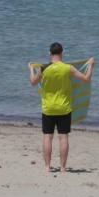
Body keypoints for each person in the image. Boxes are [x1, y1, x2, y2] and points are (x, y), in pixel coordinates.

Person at [28, 43, 94, 174]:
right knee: (63, 137)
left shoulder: (43, 68)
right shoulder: (68, 68)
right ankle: (63, 168)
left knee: (48, 136)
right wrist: (91, 65)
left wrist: (31, 69)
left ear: (49, 53)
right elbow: (86, 79)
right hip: (64, 108)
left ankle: (47, 167)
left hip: (48, 108)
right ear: (62, 53)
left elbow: (33, 82)